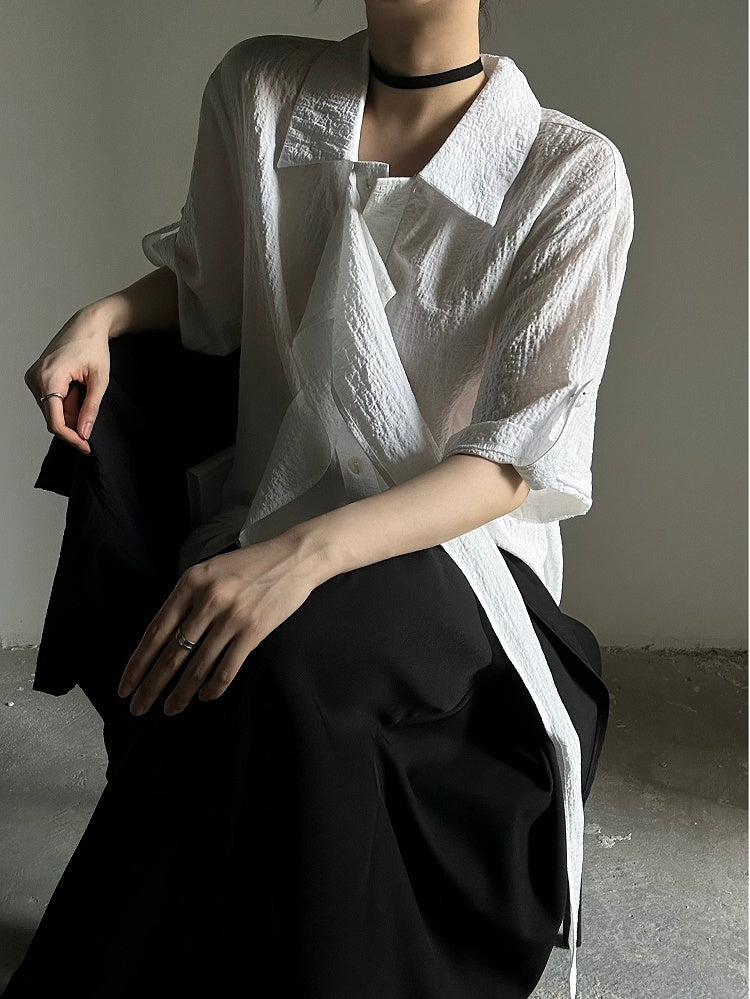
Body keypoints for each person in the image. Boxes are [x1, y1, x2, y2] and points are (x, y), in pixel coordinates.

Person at [9, 1, 634, 997]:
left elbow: (509, 462)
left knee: (276, 660)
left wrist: (301, 557)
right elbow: (215, 285)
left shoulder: (571, 172)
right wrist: (106, 314)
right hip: (274, 503)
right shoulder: (259, 89)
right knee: (238, 660)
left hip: (463, 559)